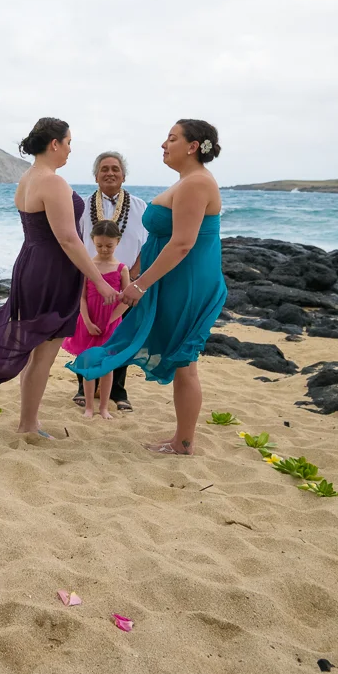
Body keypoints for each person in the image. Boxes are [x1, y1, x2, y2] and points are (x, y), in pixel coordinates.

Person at [0, 117, 116, 436]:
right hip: (51, 269)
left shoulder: (28, 178)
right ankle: (27, 425)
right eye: (68, 143)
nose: (69, 150)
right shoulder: (52, 181)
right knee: (44, 353)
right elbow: (68, 238)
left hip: (31, 263)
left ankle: (30, 421)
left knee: (38, 349)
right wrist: (99, 280)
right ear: (54, 144)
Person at [66, 119, 227, 455]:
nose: (164, 145)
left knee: (186, 361)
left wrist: (139, 285)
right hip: (174, 280)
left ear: (193, 146)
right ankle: (181, 439)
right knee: (183, 361)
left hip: (187, 282)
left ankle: (183, 442)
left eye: (171, 139)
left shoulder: (196, 183)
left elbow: (183, 244)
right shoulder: (187, 182)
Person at [72, 151, 147, 411]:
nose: (110, 173)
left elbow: (145, 245)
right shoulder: (82, 205)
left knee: (120, 338)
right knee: (86, 336)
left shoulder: (139, 206)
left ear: (123, 175)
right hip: (90, 280)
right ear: (96, 176)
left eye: (115, 169)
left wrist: (135, 276)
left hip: (124, 283)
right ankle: (83, 386)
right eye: (104, 169)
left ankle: (118, 390)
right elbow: (75, 243)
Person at [62, 220, 131, 420]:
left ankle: (104, 408)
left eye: (109, 245)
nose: (104, 249)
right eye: (99, 245)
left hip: (111, 324)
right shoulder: (88, 266)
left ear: (117, 242)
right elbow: (81, 297)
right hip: (88, 322)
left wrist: (111, 320)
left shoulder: (121, 269)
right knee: (89, 366)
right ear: (92, 241)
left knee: (107, 367)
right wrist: (87, 321)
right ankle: (89, 407)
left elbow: (126, 300)